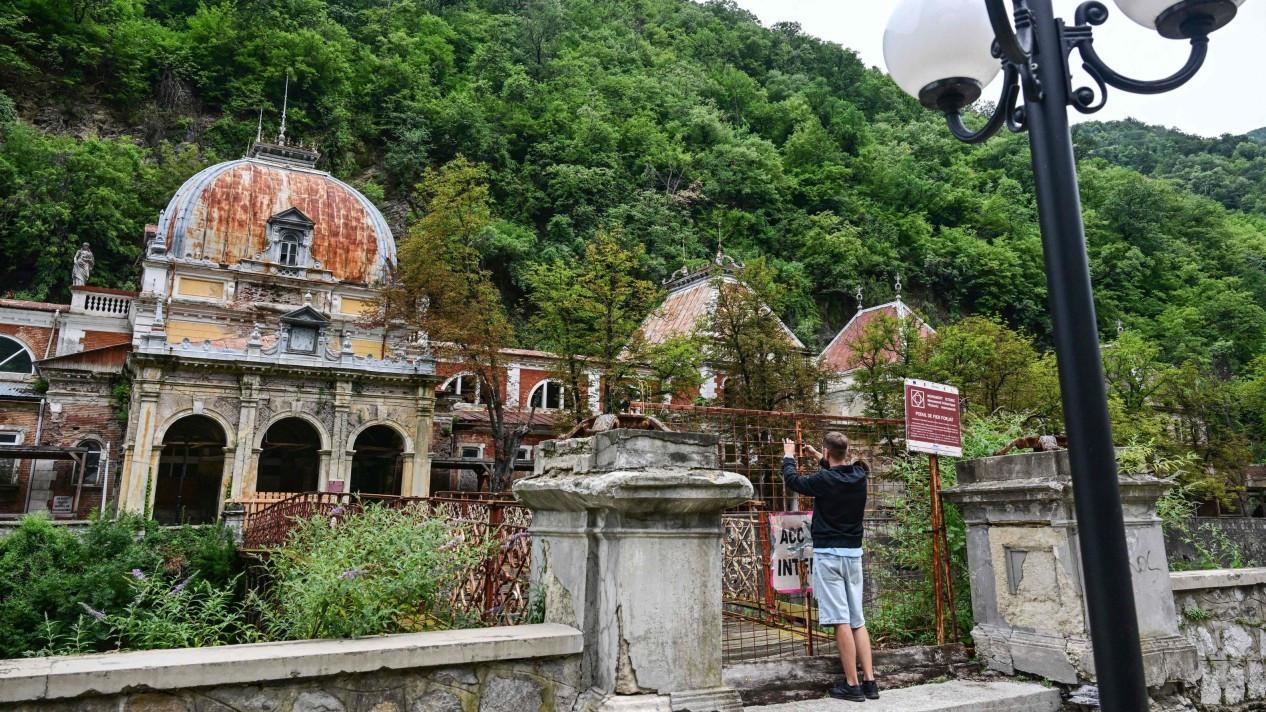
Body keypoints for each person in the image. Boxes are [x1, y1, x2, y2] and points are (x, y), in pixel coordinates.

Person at [781, 432, 878, 702]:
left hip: (829, 556)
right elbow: (838, 473)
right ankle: (870, 682)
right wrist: (818, 456)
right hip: (853, 555)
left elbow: (793, 481)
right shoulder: (859, 476)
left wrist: (788, 456)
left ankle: (852, 685)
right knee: (857, 619)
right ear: (846, 451)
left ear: (827, 451)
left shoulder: (824, 480)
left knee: (840, 619)